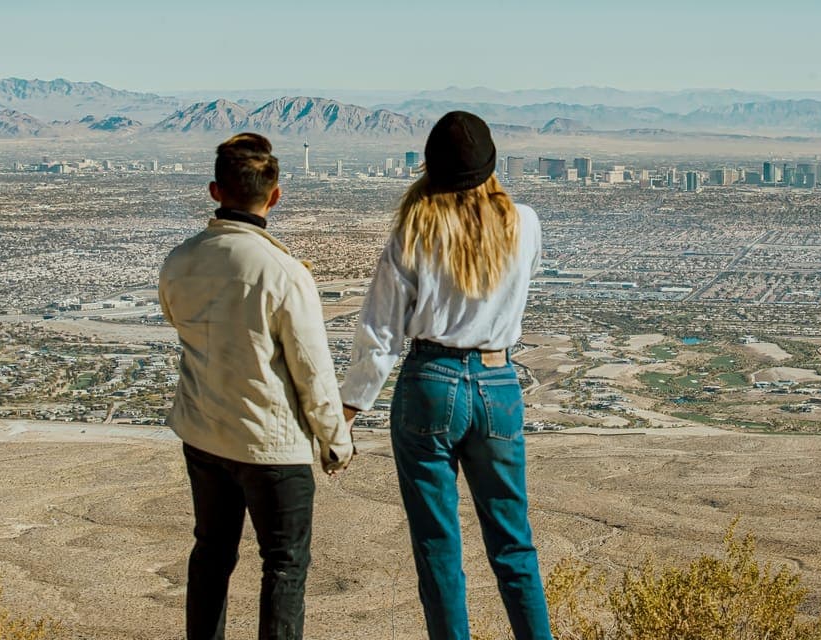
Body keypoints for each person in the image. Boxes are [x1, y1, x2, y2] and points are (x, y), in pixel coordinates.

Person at [340, 112, 551, 640]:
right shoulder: (524, 223)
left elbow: (381, 332)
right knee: (514, 543)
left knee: (438, 548)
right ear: (491, 164)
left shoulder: (415, 230)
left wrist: (347, 411)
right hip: (499, 384)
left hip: (430, 384)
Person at [158, 132, 353, 640]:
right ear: (275, 196)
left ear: (215, 191)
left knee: (211, 552)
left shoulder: (180, 260)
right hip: (271, 444)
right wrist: (335, 442)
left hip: (204, 434)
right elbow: (312, 369)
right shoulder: (283, 273)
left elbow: (177, 321)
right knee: (285, 565)